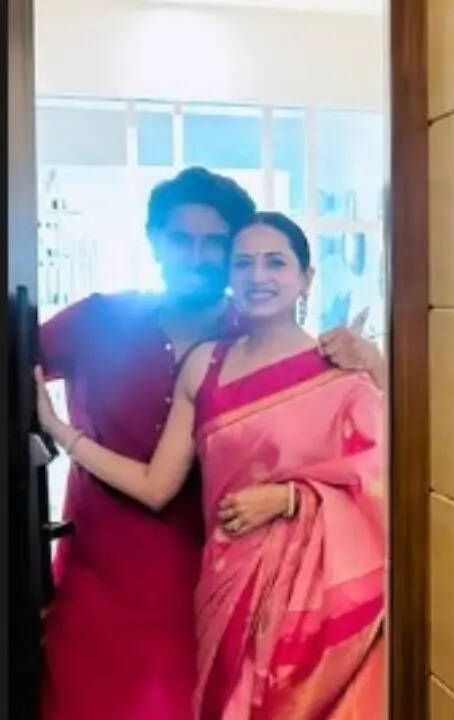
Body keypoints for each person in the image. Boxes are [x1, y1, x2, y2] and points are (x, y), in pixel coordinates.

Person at [38, 168, 385, 720]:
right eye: (181, 239)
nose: (197, 257)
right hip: (97, 584)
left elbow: (364, 467)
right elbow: (18, 374)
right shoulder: (101, 321)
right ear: (153, 241)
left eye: (215, 244)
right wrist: (53, 430)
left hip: (227, 588)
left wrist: (378, 369)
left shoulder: (280, 350)